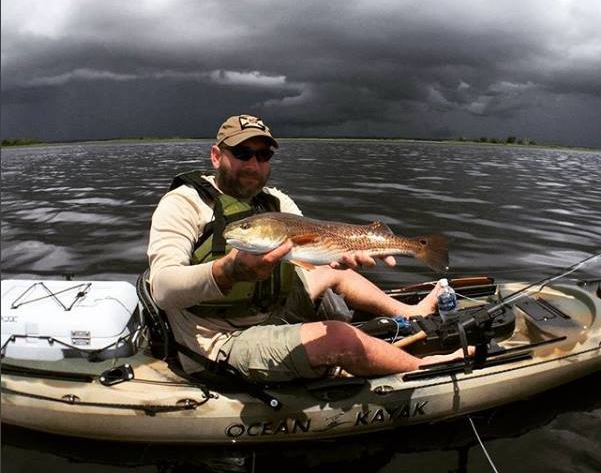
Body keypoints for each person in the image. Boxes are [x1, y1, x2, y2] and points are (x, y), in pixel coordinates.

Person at [147, 114, 469, 383]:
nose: (254, 165)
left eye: (263, 155)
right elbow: (161, 288)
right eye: (243, 153)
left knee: (333, 274)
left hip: (269, 311)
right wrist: (228, 271)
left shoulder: (276, 202)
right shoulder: (184, 204)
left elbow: (318, 244)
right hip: (218, 341)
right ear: (217, 156)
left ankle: (409, 312)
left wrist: (343, 256)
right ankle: (427, 369)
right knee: (340, 336)